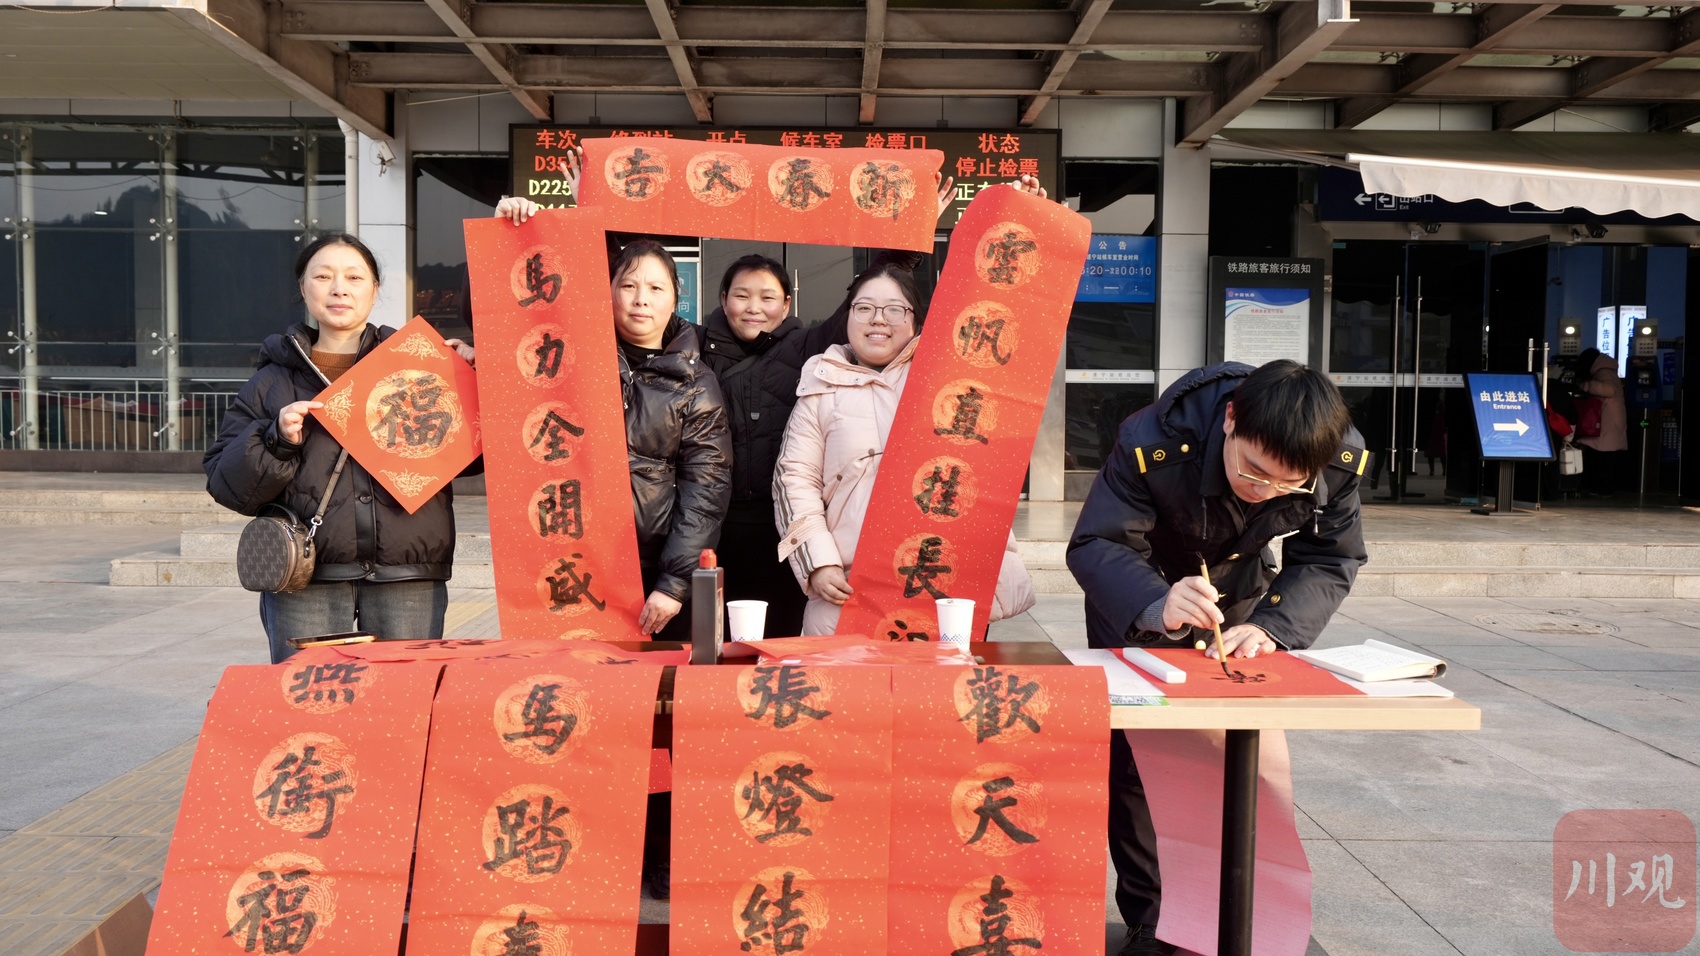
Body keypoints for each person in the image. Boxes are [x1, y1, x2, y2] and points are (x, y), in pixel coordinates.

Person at [1065, 359, 1369, 956]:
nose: (1265, 491)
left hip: (1241, 595)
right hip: (1142, 591)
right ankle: (1153, 919)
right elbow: (1098, 541)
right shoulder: (1153, 438)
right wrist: (1156, 601)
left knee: (1237, 752)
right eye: (1254, 471)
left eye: (1288, 485)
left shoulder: (1335, 457)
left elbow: (1331, 556)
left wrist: (1275, 626)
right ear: (1230, 420)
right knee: (1139, 762)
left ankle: (1233, 910)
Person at [204, 233, 479, 663]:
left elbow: (478, 459)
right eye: (323, 277)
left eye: (354, 277)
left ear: (375, 289)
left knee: (402, 695)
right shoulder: (272, 381)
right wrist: (277, 439)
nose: (339, 289)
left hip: (407, 575)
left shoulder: (420, 367)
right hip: (308, 576)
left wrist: (476, 380)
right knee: (311, 695)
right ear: (303, 288)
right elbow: (226, 485)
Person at [773, 259, 1036, 636]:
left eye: (894, 309)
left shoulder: (951, 378)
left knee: (942, 674)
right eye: (864, 308)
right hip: (851, 587)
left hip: (942, 578)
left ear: (916, 320)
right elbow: (794, 482)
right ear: (848, 316)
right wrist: (818, 561)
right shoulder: (819, 391)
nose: (878, 320)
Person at [1565, 347, 1627, 496]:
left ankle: (1601, 489)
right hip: (1608, 420)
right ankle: (1601, 488)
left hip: (1606, 421)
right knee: (1602, 456)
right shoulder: (1606, 369)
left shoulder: (1603, 371)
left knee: (1601, 457)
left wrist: (1586, 385)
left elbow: (1609, 389)